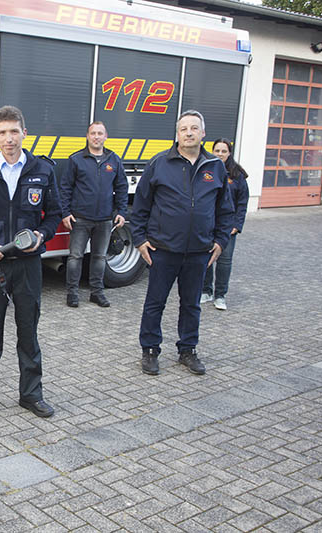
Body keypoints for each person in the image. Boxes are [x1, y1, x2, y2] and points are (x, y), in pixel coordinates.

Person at [0, 105, 61, 419]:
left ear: (24, 133)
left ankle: (31, 395)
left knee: (28, 332)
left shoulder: (43, 170)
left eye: (14, 131)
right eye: (2, 132)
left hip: (29, 265)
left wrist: (43, 235)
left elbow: (54, 214)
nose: (9, 138)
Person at [130, 110, 234, 377]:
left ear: (203, 133)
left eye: (194, 128)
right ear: (177, 134)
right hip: (162, 250)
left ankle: (187, 350)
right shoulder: (159, 164)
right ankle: (150, 350)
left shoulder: (215, 167)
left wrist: (221, 241)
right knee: (155, 302)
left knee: (191, 304)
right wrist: (140, 240)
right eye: (184, 128)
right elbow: (140, 207)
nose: (189, 133)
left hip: (199, 252)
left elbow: (225, 210)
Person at [60, 121, 128, 308]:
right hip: (80, 218)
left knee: (99, 257)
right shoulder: (76, 160)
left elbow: (122, 187)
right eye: (93, 133)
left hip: (105, 219)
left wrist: (121, 211)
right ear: (88, 136)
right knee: (75, 257)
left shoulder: (113, 160)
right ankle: (72, 294)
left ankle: (96, 293)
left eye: (100, 133)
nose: (97, 136)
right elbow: (65, 187)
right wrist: (65, 213)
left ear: (106, 136)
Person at [201, 138, 249, 311]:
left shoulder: (237, 175)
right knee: (206, 258)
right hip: (209, 225)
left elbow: (242, 203)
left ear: (229, 153)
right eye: (217, 151)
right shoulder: (206, 169)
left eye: (223, 151)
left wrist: (237, 225)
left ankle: (220, 295)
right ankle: (206, 291)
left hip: (228, 227)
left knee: (224, 261)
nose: (220, 154)